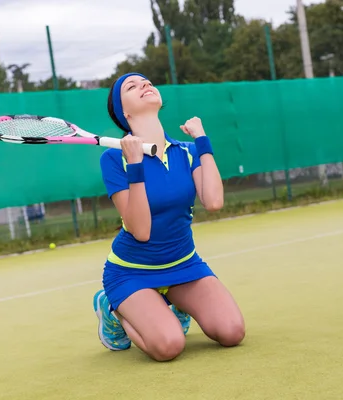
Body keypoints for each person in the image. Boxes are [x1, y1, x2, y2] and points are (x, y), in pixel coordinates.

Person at [92, 72, 245, 362]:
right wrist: (135, 165)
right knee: (168, 347)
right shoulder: (114, 159)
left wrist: (202, 140)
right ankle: (113, 310)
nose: (145, 85)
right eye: (132, 86)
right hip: (131, 272)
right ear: (123, 111)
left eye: (147, 82)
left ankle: (171, 306)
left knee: (232, 332)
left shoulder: (186, 152)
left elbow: (213, 201)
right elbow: (140, 230)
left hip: (184, 265)